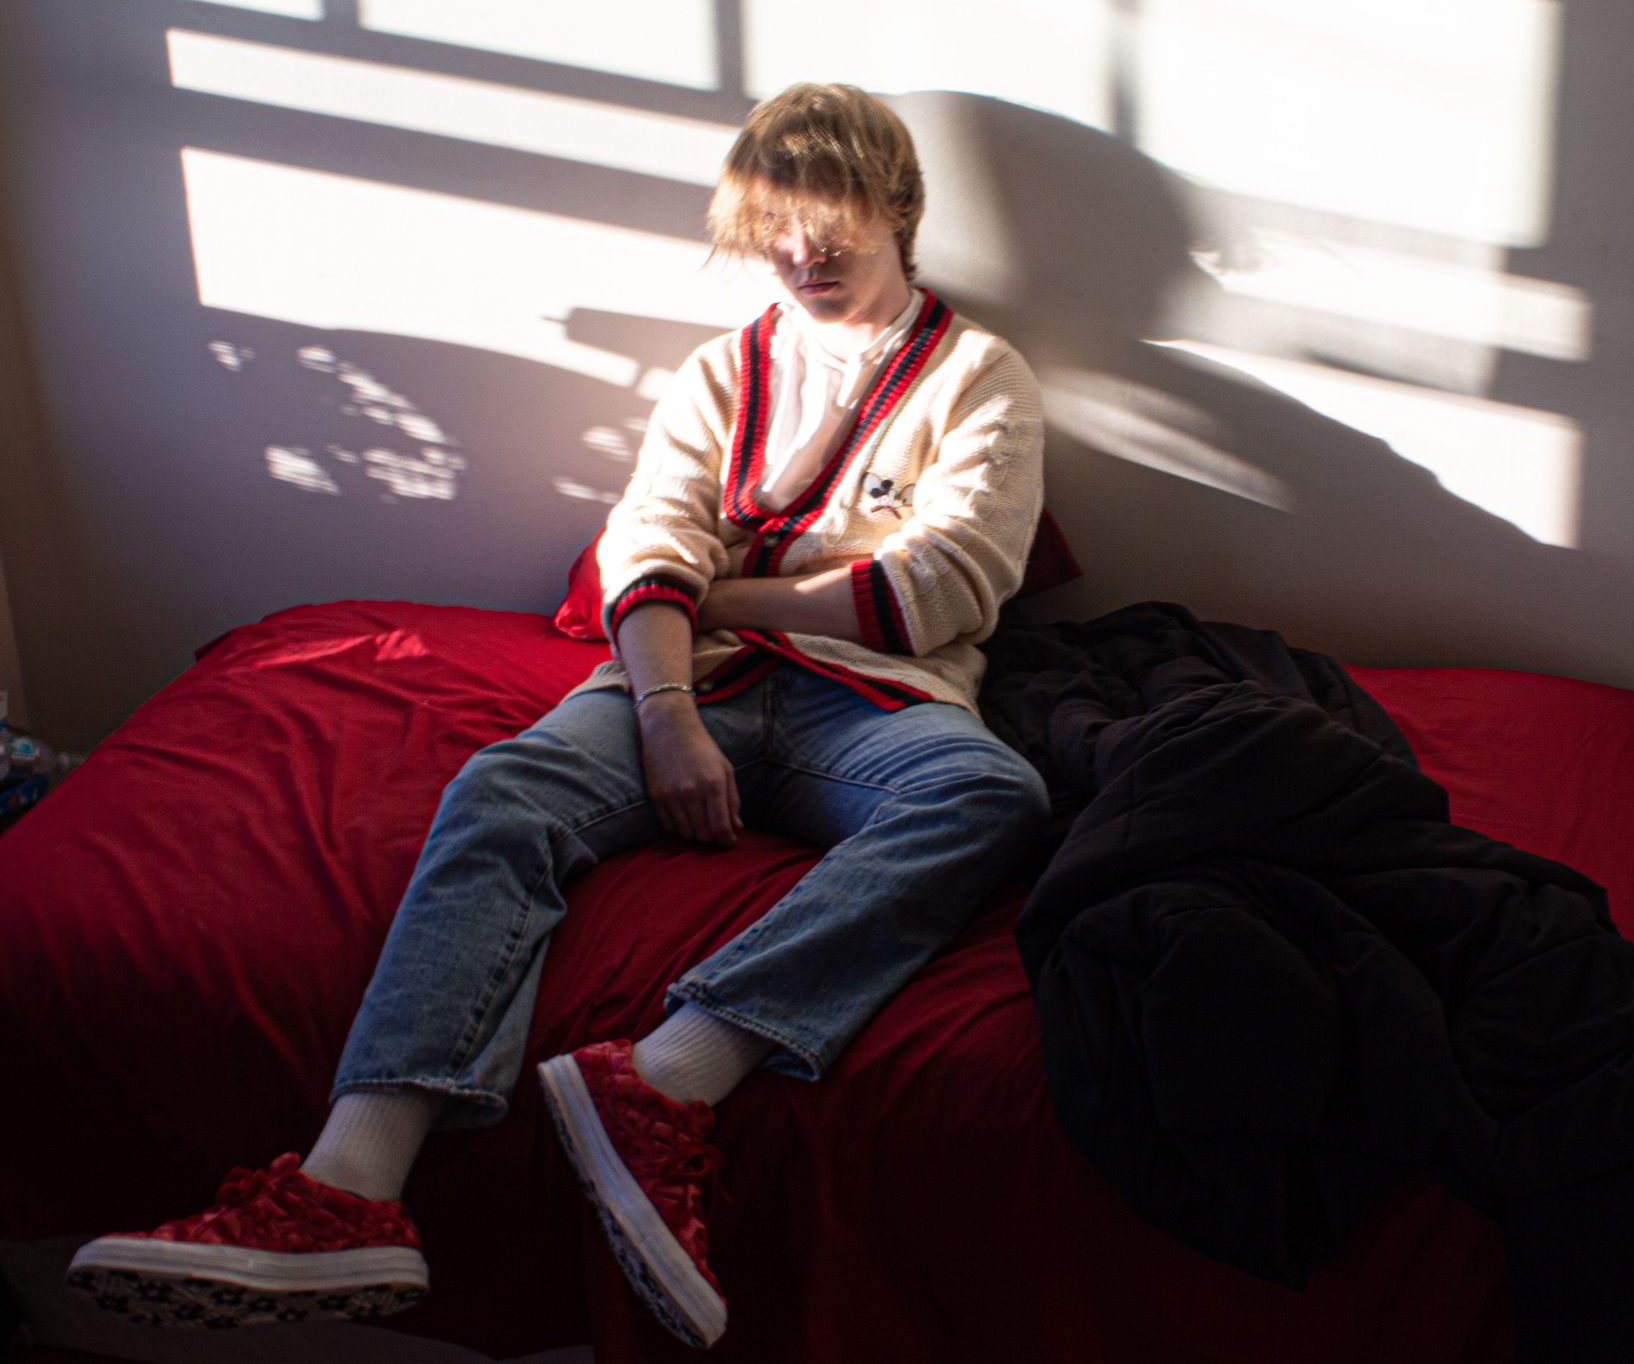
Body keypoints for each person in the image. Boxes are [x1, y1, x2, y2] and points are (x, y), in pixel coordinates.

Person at [67, 83, 1050, 1349]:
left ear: (899, 213)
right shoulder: (720, 374)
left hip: (866, 704)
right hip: (681, 679)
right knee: (501, 791)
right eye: (774, 224)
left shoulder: (978, 377)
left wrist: (717, 588)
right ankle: (347, 1185)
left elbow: (931, 592)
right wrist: (663, 711)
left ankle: (666, 1078)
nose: (800, 251)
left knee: (989, 797)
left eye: (832, 222)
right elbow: (641, 545)